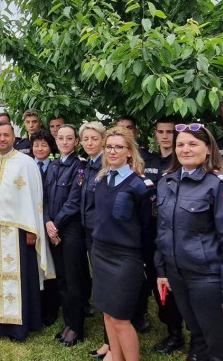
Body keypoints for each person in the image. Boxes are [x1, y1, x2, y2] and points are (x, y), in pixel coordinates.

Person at [0, 122, 54, 341]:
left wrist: (32, 231)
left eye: (6, 135)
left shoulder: (26, 163)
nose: (2, 139)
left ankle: (20, 326)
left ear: (14, 137)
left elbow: (35, 199)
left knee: (20, 278)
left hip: (18, 232)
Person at [156, 124, 223, 361]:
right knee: (196, 332)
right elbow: (162, 231)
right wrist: (162, 270)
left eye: (193, 144)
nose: (185, 149)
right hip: (177, 274)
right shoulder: (167, 182)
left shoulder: (216, 185)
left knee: (215, 339)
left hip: (207, 276)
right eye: (180, 144)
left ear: (208, 149)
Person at [91, 126, 155, 361]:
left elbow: (148, 229)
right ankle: (115, 356)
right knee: (107, 314)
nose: (113, 151)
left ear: (129, 151)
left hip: (126, 258)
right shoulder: (101, 179)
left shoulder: (140, 185)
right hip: (100, 254)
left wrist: (148, 264)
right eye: (109, 147)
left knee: (120, 318)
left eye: (119, 147)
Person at [139, 118, 186, 355]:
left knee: (172, 283)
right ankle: (165, 328)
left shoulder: (180, 161)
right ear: (155, 134)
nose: (165, 136)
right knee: (152, 282)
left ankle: (180, 332)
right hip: (148, 231)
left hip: (172, 232)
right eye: (161, 132)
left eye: (170, 132)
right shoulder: (148, 159)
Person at [44, 124, 87, 347]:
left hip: (70, 231)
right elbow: (46, 197)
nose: (64, 142)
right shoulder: (52, 165)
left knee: (73, 280)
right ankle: (67, 323)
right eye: (61, 138)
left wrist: (55, 224)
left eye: (69, 138)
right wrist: (48, 222)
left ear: (76, 142)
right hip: (54, 229)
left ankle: (76, 327)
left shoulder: (80, 167)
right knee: (61, 278)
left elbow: (74, 201)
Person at [76, 121, 109, 360]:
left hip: (103, 234)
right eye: (85, 139)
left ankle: (111, 342)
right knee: (100, 283)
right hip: (88, 232)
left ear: (103, 140)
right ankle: (110, 340)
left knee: (106, 287)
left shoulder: (107, 166)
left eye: (94, 139)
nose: (89, 143)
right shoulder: (88, 165)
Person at [30, 129, 59, 327]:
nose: (39, 149)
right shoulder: (26, 166)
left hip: (51, 222)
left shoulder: (56, 167)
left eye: (44, 145)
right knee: (35, 264)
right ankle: (36, 305)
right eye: (36, 145)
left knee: (51, 264)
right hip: (31, 221)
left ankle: (52, 307)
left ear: (50, 147)